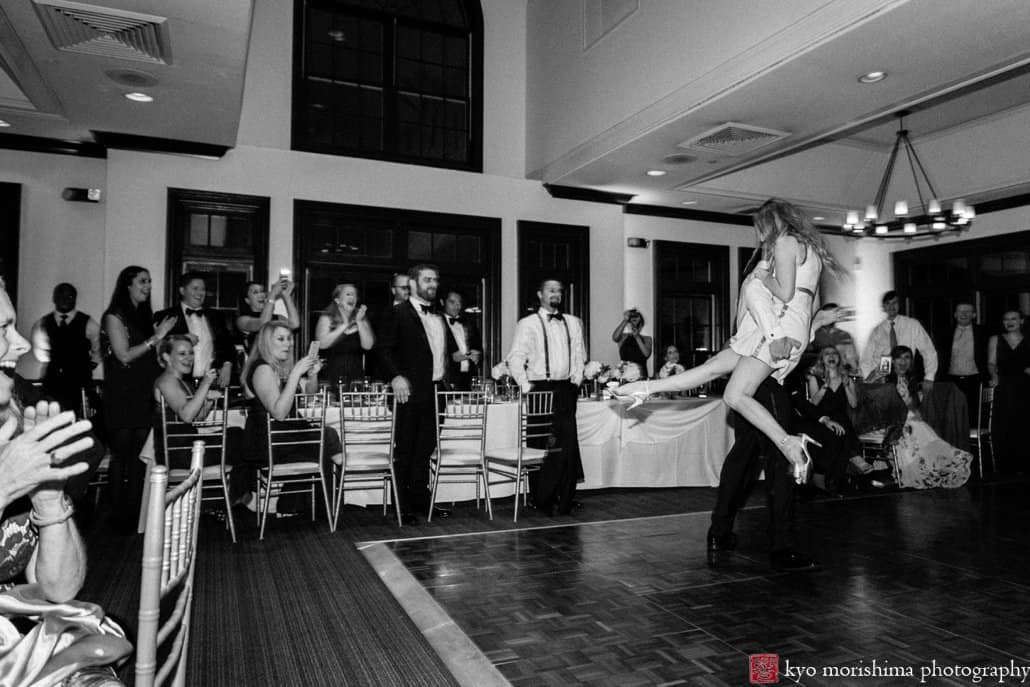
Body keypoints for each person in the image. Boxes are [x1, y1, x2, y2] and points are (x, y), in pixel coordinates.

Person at [615, 199, 844, 477]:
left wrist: (761, 276)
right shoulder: (810, 253)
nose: (757, 235)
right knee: (710, 368)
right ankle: (645, 388)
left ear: (769, 222)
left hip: (776, 328)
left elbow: (783, 294)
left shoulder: (785, 242)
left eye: (758, 227)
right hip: (789, 329)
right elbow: (809, 308)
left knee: (734, 394)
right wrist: (812, 327)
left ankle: (790, 445)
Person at [242, 322, 342, 515]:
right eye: (280, 339)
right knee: (327, 436)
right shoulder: (262, 369)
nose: (287, 343)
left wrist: (312, 376)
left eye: (289, 338)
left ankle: (299, 508)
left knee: (321, 449)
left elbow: (309, 395)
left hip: (284, 436)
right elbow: (279, 413)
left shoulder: (278, 368)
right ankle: (342, 467)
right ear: (266, 343)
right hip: (268, 440)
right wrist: (296, 372)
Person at [376, 264, 451, 524]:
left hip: (435, 392)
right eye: (427, 279)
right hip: (407, 393)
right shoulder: (397, 313)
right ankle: (402, 506)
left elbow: (442, 354)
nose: (433, 284)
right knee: (406, 451)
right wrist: (395, 376)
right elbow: (382, 350)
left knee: (425, 450)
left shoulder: (440, 316)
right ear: (414, 284)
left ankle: (421, 500)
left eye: (436, 280)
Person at [102, 266, 175, 530]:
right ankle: (117, 517)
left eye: (150, 281)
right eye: (142, 281)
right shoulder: (114, 316)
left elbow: (148, 356)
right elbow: (123, 356)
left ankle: (136, 516)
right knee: (122, 457)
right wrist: (158, 337)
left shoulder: (143, 316)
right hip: (122, 394)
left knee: (140, 459)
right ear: (128, 285)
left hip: (144, 392)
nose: (148, 286)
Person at [507, 278, 587, 515]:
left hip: (566, 389)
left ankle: (565, 498)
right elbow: (515, 357)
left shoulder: (573, 322)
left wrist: (576, 381)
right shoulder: (528, 323)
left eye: (559, 291)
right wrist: (525, 385)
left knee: (568, 446)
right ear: (540, 294)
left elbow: (579, 356)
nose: (556, 294)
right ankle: (540, 498)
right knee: (542, 445)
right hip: (539, 388)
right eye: (551, 290)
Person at [153, 335, 247, 499]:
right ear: (167, 357)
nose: (189, 358)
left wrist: (209, 400)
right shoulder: (166, 381)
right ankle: (235, 498)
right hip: (178, 452)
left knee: (237, 436)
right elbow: (187, 415)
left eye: (191, 353)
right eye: (182, 354)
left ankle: (232, 497)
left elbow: (199, 417)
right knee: (240, 440)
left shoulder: (180, 381)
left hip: (189, 446)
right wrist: (205, 383)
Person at [885, 346, 971, 489]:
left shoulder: (909, 379)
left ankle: (929, 467)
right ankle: (907, 470)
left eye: (907, 357)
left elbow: (910, 403)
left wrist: (914, 408)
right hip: (891, 417)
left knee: (921, 427)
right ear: (892, 361)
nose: (903, 361)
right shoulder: (886, 378)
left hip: (906, 415)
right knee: (913, 428)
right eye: (899, 358)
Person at [153, 271, 238, 388]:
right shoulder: (166, 316)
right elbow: (159, 349)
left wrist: (227, 365)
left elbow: (228, 345)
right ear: (182, 291)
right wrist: (181, 339)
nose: (200, 293)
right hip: (179, 383)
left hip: (212, 382)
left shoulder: (216, 316)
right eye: (195, 288)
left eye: (202, 289)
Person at [798, 346, 865, 494]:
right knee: (841, 431)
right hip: (821, 419)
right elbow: (813, 405)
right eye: (827, 354)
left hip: (841, 418)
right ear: (822, 359)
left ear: (839, 359)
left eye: (834, 353)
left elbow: (853, 404)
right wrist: (825, 386)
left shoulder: (846, 378)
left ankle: (836, 480)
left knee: (842, 427)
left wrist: (847, 385)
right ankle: (853, 459)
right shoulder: (815, 378)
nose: (831, 356)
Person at [32, 283, 102, 417]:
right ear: (54, 298)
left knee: (75, 416)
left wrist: (90, 364)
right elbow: (39, 349)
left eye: (70, 296)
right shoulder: (43, 322)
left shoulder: (87, 322)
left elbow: (98, 346)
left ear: (75, 299)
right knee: (52, 414)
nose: (65, 300)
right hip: (53, 380)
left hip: (79, 380)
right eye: (61, 296)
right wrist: (55, 363)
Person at [860, 290, 938, 389]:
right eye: (888, 303)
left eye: (895, 302)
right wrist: (869, 380)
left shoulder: (912, 325)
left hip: (906, 377)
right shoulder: (877, 331)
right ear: (883, 307)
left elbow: (928, 351)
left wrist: (929, 377)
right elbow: (866, 359)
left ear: (899, 305)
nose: (891, 306)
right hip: (882, 379)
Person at [987, 310, 1030, 475]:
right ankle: (1004, 466)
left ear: (1021, 321)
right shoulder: (995, 339)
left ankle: (1025, 464)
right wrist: (994, 375)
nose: (1009, 322)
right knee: (1003, 423)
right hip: (1004, 385)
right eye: (1006, 319)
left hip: (1025, 386)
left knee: (1024, 423)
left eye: (1014, 319)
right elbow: (991, 363)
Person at [939, 302, 989, 426]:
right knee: (952, 415)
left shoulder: (984, 332)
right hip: (951, 380)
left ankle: (973, 444)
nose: (964, 314)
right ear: (955, 315)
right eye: (960, 311)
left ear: (974, 315)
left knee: (975, 415)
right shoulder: (945, 332)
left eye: (968, 311)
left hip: (975, 379)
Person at [316, 283, 374, 389]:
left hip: (355, 377)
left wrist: (359, 322)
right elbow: (322, 344)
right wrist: (345, 325)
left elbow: (368, 346)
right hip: (330, 376)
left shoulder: (361, 318)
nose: (352, 297)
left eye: (354, 295)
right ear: (337, 300)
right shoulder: (327, 317)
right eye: (348, 294)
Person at [235, 277, 299, 354]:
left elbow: (294, 324)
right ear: (247, 300)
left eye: (262, 291)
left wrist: (286, 295)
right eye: (256, 292)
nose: (261, 295)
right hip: (257, 363)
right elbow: (263, 324)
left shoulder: (276, 317)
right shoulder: (242, 320)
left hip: (276, 362)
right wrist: (272, 294)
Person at [443, 289, 482, 391]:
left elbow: (478, 350)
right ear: (443, 302)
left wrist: (478, 355)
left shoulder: (469, 324)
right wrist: (468, 355)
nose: (457, 306)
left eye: (459, 303)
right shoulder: (438, 323)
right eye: (452, 302)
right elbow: (450, 355)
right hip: (447, 379)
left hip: (468, 378)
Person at [809, 301, 859, 373]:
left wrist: (852, 371)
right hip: (817, 375)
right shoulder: (813, 334)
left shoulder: (845, 336)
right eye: (828, 313)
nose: (831, 316)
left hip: (841, 375)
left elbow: (852, 360)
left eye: (835, 313)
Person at [611, 308, 652, 378]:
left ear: (641, 325)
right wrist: (625, 320)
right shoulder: (624, 337)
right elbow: (615, 337)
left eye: (637, 322)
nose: (634, 324)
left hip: (641, 376)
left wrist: (637, 337)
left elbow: (646, 354)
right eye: (632, 321)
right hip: (625, 375)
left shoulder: (647, 339)